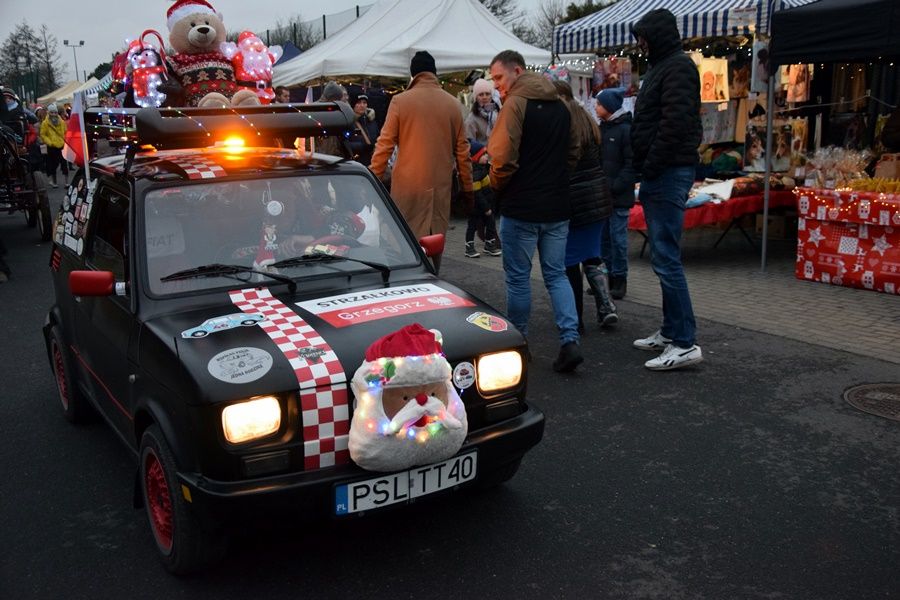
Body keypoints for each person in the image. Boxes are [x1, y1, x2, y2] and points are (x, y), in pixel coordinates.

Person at [487, 49, 583, 373]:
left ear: (517, 70)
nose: (497, 85)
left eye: (499, 77)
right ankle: (570, 340)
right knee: (556, 275)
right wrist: (557, 178)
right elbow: (574, 150)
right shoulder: (561, 104)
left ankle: (518, 343)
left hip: (522, 205)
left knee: (517, 279)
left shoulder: (515, 104)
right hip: (557, 206)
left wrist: (496, 183)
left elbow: (502, 158)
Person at [630, 8, 704, 371]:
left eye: (642, 37)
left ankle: (685, 341)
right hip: (662, 170)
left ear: (655, 35)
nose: (639, 44)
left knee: (666, 257)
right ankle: (672, 330)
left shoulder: (677, 67)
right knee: (663, 257)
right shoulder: (663, 67)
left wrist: (651, 164)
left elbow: (674, 123)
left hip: (668, 171)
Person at [370, 50, 472, 273]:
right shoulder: (453, 104)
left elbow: (384, 146)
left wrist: (373, 180)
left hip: (407, 190)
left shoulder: (400, 102)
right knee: (434, 251)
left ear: (413, 75)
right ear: (434, 73)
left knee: (402, 248)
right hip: (439, 192)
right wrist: (468, 189)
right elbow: (463, 154)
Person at [554, 80, 617, 331]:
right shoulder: (587, 119)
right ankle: (606, 307)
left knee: (569, 263)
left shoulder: (563, 122)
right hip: (598, 199)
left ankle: (575, 319)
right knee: (591, 255)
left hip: (575, 202)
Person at [594, 87, 636, 299]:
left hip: (618, 197)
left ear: (609, 107)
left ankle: (620, 279)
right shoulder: (603, 128)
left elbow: (631, 164)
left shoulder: (625, 130)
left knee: (618, 239)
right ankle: (604, 278)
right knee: (603, 239)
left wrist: (616, 185)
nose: (596, 106)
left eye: (600, 104)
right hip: (603, 195)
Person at [464, 78, 502, 256]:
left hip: (497, 162)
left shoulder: (498, 113)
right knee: (483, 207)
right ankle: (485, 238)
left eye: (487, 93)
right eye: (481, 94)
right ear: (476, 97)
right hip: (480, 166)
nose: (485, 97)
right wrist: (480, 156)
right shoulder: (472, 119)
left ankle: (490, 239)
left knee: (492, 205)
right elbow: (468, 144)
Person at [464, 140, 500, 258]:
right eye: (483, 155)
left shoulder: (483, 169)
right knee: (472, 226)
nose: (486, 156)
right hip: (477, 207)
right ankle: (469, 247)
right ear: (476, 157)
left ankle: (489, 244)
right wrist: (486, 208)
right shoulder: (476, 173)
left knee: (490, 223)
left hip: (487, 205)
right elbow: (477, 194)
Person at [347, 92, 380, 167]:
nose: (362, 105)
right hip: (356, 164)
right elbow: (344, 144)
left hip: (373, 162)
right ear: (353, 105)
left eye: (364, 102)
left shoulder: (371, 120)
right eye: (358, 103)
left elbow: (378, 137)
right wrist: (362, 146)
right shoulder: (348, 122)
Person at [40, 103, 68, 188]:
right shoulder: (45, 123)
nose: (54, 114)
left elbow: (65, 131)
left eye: (55, 112)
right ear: (49, 113)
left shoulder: (62, 122)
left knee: (64, 164)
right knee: (53, 165)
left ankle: (66, 182)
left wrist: (65, 140)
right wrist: (49, 142)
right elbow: (43, 134)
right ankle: (54, 182)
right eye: (52, 112)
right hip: (51, 146)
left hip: (61, 145)